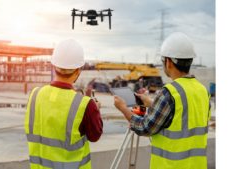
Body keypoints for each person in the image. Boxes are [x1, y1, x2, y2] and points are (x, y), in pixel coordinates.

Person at [114, 32, 211, 169]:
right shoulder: (202, 91)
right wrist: (151, 103)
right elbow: (183, 115)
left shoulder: (169, 92)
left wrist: (123, 108)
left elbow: (144, 128)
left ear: (168, 62)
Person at [25, 39, 103, 169]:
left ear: (54, 66)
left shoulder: (35, 94)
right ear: (78, 70)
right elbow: (94, 136)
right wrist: (95, 109)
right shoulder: (85, 105)